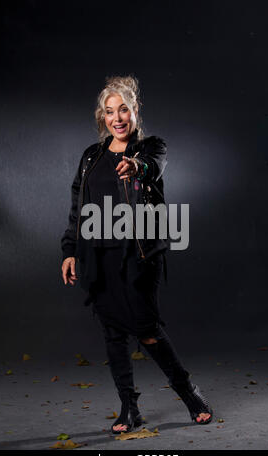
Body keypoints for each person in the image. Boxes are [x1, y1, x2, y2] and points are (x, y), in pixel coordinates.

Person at [61, 75, 213, 433]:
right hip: (97, 258)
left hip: (139, 255)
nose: (117, 118)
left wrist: (135, 168)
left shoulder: (150, 148)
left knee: (146, 330)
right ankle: (129, 408)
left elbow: (152, 167)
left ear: (134, 111)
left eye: (123, 109)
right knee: (113, 334)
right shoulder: (90, 158)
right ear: (103, 117)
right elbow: (77, 209)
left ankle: (188, 392)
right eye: (110, 112)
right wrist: (69, 251)